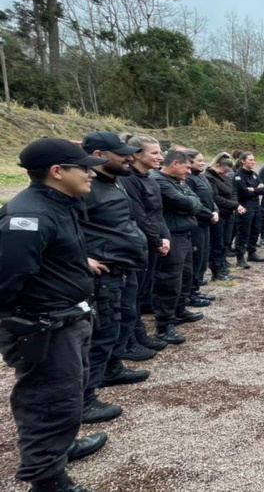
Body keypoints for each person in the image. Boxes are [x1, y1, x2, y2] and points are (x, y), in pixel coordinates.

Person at [0, 138, 108, 492]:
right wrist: (24, 322)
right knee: (48, 400)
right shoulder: (29, 216)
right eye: (83, 167)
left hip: (67, 318)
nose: (91, 172)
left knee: (69, 392)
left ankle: (61, 448)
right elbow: (7, 280)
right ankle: (47, 477)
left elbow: (56, 254)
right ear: (57, 172)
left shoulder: (62, 203)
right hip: (45, 325)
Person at [78, 131, 150, 427]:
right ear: (97, 155)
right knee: (100, 333)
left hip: (123, 268)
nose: (129, 157)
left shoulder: (114, 181)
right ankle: (84, 400)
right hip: (103, 273)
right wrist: (80, 259)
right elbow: (64, 226)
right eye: (121, 153)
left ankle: (112, 367)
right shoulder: (84, 187)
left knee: (119, 322)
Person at [119, 135, 169, 359]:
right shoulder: (129, 180)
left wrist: (164, 236)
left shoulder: (150, 178)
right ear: (137, 154)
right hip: (141, 243)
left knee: (141, 292)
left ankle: (139, 334)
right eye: (155, 153)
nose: (160, 157)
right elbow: (139, 216)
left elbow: (158, 213)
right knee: (132, 295)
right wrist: (158, 240)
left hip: (153, 242)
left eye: (160, 152)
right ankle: (129, 341)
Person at [150, 150, 206, 345]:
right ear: (174, 163)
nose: (189, 172)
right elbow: (185, 202)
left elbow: (195, 202)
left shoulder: (176, 181)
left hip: (184, 234)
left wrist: (189, 204)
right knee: (169, 280)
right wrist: (189, 205)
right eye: (187, 167)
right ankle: (164, 324)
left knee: (185, 275)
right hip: (171, 236)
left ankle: (179, 311)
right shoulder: (158, 180)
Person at [184, 149, 216, 307]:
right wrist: (210, 214)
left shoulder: (201, 177)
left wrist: (214, 210)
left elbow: (210, 198)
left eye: (203, 160)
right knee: (195, 260)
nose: (202, 163)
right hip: (196, 223)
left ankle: (196, 289)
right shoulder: (188, 179)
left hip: (206, 222)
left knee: (203, 257)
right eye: (199, 160)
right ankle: (190, 293)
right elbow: (194, 203)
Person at [205, 155, 240, 282]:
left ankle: (222, 264)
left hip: (228, 214)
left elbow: (233, 192)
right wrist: (234, 204)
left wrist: (234, 203)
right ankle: (216, 270)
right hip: (219, 214)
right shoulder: (209, 177)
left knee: (225, 242)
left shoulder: (223, 177)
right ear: (218, 165)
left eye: (227, 172)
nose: (225, 173)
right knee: (217, 244)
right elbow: (215, 197)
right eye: (224, 171)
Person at [232, 152, 264, 267]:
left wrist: (253, 190)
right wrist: (256, 189)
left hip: (256, 206)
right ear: (243, 161)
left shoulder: (253, 174)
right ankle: (240, 258)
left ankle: (251, 253)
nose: (253, 162)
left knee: (255, 230)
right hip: (245, 206)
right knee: (243, 232)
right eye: (250, 160)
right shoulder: (238, 176)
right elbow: (243, 192)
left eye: (254, 160)